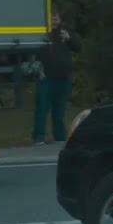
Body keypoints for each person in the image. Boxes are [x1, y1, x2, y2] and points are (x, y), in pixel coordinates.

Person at [32, 12, 80, 145]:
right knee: (42, 108)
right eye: (51, 18)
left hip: (64, 77)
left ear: (60, 20)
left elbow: (77, 47)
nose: (53, 21)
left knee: (60, 108)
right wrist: (38, 70)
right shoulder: (41, 33)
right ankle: (39, 137)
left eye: (56, 18)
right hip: (46, 77)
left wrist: (69, 38)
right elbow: (32, 52)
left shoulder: (65, 32)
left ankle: (59, 137)